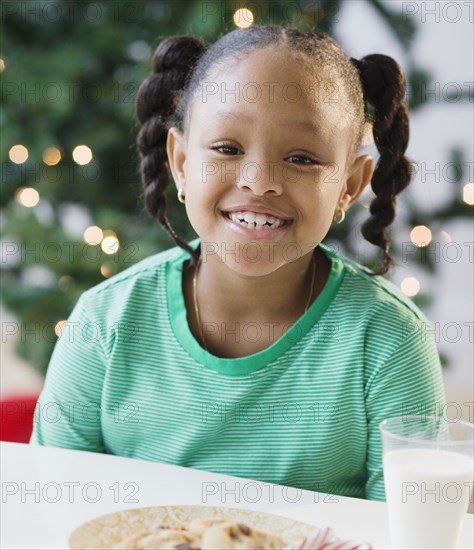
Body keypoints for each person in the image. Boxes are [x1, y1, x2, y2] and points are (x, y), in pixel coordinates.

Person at [30, 25, 445, 501]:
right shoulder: (103, 324)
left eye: (302, 158)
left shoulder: (389, 339)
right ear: (181, 162)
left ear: (350, 186)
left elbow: (412, 530)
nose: (259, 181)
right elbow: (53, 509)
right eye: (227, 149)